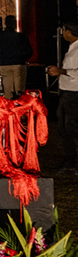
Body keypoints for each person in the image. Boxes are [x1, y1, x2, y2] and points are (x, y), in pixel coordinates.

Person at [45, 21, 78, 173]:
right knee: (63, 126)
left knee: (70, 126)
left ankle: (72, 159)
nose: (63, 33)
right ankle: (70, 158)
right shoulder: (72, 47)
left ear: (71, 32)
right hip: (67, 90)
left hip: (74, 92)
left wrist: (61, 72)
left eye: (65, 30)